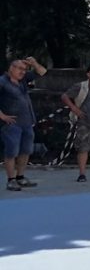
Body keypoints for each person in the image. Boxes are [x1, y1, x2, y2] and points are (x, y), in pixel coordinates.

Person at [1, 56, 47, 192]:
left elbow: (42, 72)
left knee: (25, 150)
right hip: (11, 123)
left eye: (25, 69)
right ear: (11, 68)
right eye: (20, 69)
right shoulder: (3, 82)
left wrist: (34, 63)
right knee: (11, 152)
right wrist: (2, 116)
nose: (23, 72)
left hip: (27, 122)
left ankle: (20, 176)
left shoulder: (23, 81)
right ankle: (11, 180)